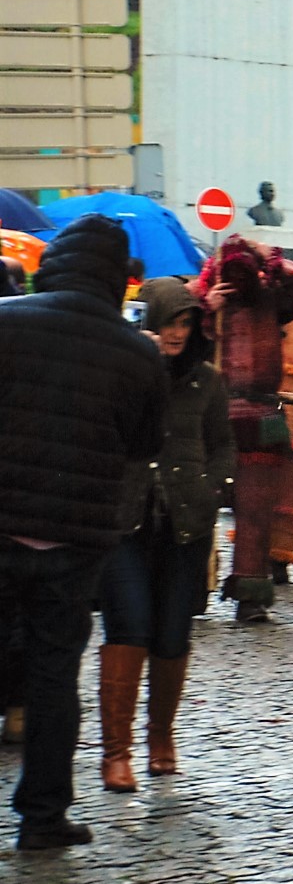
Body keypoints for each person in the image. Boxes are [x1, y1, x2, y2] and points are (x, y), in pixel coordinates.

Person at [0, 214, 167, 849]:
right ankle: (43, 818)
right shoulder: (138, 353)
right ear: (117, 277)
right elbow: (143, 446)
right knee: (51, 678)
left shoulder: (5, 320)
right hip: (73, 540)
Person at [97, 278, 235, 792]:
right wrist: (141, 363)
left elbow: (223, 445)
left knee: (173, 633)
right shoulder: (124, 374)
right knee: (129, 625)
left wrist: (209, 491)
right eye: (168, 321)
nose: (176, 333)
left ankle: (161, 738)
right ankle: (116, 753)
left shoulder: (208, 382)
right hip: (127, 521)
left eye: (184, 322)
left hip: (186, 524)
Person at [193, 236, 293, 622]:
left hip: (264, 411)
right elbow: (172, 329)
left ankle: (250, 593)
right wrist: (204, 307)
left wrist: (275, 262)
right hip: (213, 409)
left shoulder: (272, 298)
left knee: (256, 510)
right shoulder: (204, 295)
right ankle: (192, 587)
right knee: (200, 503)